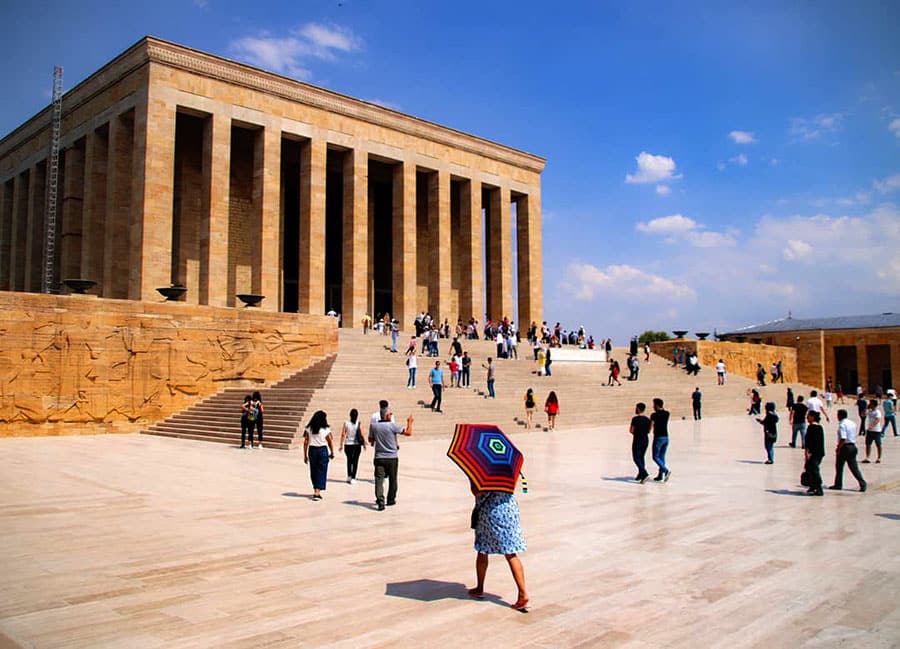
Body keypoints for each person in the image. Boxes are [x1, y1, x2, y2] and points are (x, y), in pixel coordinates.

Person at [467, 480, 529, 611]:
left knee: (483, 549)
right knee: (511, 553)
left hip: (491, 513)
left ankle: (480, 588)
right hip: (509, 510)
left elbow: (478, 493)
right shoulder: (508, 471)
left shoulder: (486, 473)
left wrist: (473, 483)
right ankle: (522, 593)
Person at [368, 405, 414, 510]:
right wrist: (410, 422)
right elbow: (408, 432)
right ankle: (391, 499)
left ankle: (380, 501)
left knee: (379, 480)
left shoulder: (374, 426)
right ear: (388, 416)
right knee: (393, 479)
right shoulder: (392, 426)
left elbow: (371, 440)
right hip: (392, 457)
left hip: (379, 457)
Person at [829, 409, 866, 492]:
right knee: (854, 467)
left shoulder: (842, 424)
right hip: (852, 446)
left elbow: (843, 438)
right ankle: (862, 483)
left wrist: (838, 448)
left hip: (845, 447)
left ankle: (838, 484)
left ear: (839, 416)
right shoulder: (852, 423)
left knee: (839, 466)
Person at [303, 410, 334, 501]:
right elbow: (329, 441)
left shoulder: (309, 428)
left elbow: (305, 442)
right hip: (322, 450)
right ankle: (317, 491)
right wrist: (332, 452)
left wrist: (305, 455)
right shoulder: (326, 429)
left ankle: (316, 489)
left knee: (314, 470)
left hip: (312, 450)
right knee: (322, 470)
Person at [339, 409, 366, 484]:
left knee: (349, 460)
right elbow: (362, 434)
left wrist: (341, 444)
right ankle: (353, 477)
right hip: (356, 445)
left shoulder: (346, 423)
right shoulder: (358, 423)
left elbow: (343, 434)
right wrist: (364, 444)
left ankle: (349, 476)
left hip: (348, 444)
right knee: (355, 461)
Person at [803, 411, 825, 496]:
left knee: (814, 470)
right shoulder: (820, 427)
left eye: (808, 416)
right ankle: (812, 486)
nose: (807, 418)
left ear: (812, 417)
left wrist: (807, 452)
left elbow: (808, 442)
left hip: (813, 452)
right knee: (811, 469)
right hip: (819, 452)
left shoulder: (811, 427)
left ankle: (819, 488)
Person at [650, 398, 671, 481]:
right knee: (662, 457)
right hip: (666, 437)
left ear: (657, 405)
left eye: (654, 405)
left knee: (655, 456)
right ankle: (660, 475)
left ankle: (666, 470)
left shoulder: (654, 415)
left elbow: (651, 426)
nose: (653, 407)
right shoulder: (667, 413)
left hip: (658, 437)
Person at [630, 402, 651, 483]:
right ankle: (640, 474)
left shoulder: (635, 419)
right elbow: (649, 430)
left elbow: (631, 430)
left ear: (638, 409)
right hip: (645, 440)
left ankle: (644, 473)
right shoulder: (647, 419)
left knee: (636, 458)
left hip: (637, 440)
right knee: (641, 457)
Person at [862, 399, 883, 464]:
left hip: (876, 431)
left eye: (870, 403)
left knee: (878, 444)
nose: (869, 404)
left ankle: (879, 458)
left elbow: (878, 419)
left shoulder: (877, 412)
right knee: (868, 444)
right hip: (869, 431)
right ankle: (867, 457)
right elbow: (862, 414)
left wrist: (872, 426)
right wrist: (866, 408)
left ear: (873, 405)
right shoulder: (869, 411)